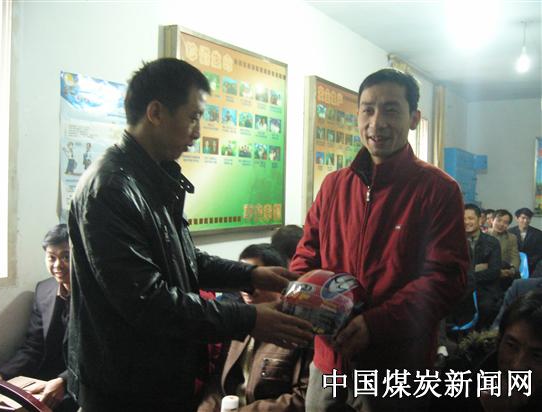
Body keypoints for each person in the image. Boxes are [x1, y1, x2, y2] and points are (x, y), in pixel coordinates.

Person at [67, 58, 313, 412]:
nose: (197, 132)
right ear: (155, 112)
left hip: (157, 379)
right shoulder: (111, 189)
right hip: (127, 389)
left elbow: (183, 260)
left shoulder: (152, 179)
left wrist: (250, 275)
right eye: (194, 117)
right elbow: (149, 302)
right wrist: (250, 319)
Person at [291, 68, 469, 411]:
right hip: (328, 363)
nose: (377, 123)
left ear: (413, 118)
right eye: (368, 110)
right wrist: (308, 304)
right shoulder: (334, 185)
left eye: (391, 110)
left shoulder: (438, 190)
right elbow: (305, 256)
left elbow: (446, 279)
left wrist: (375, 324)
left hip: (396, 367)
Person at [198, 244, 312, 411]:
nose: (247, 290)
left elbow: (304, 398)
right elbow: (216, 383)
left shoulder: (297, 328)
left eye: (255, 281)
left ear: (276, 279)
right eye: (242, 281)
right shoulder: (237, 320)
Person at [0, 224, 78, 412]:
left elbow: (95, 353)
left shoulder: (94, 296)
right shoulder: (43, 290)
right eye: (51, 257)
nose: (57, 265)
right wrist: (1, 376)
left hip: (80, 383)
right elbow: (33, 346)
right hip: (44, 378)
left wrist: (64, 380)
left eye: (66, 256)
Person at [433, 290, 542, 411]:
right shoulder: (460, 376)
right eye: (511, 346)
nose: (517, 365)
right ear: (499, 340)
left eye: (536, 355)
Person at [464, 203, 503, 330]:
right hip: (461, 288)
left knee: (486, 307)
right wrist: (476, 269)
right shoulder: (455, 241)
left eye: (470, 218)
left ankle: (481, 336)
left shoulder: (492, 242)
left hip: (485, 288)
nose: (466, 222)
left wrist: (469, 273)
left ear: (480, 219)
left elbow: (494, 271)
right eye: (463, 219)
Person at [488, 209, 520, 289]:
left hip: (505, 271)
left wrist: (512, 270)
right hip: (488, 271)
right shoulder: (484, 235)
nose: (501, 224)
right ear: (492, 220)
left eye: (505, 222)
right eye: (499, 220)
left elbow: (515, 257)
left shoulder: (512, 238)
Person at [509, 207, 542, 275]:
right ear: (517, 218)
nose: (525, 220)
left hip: (532, 267)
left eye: (528, 218)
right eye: (523, 218)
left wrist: (527, 262)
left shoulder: (538, 233)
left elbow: (539, 252)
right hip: (512, 265)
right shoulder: (509, 232)